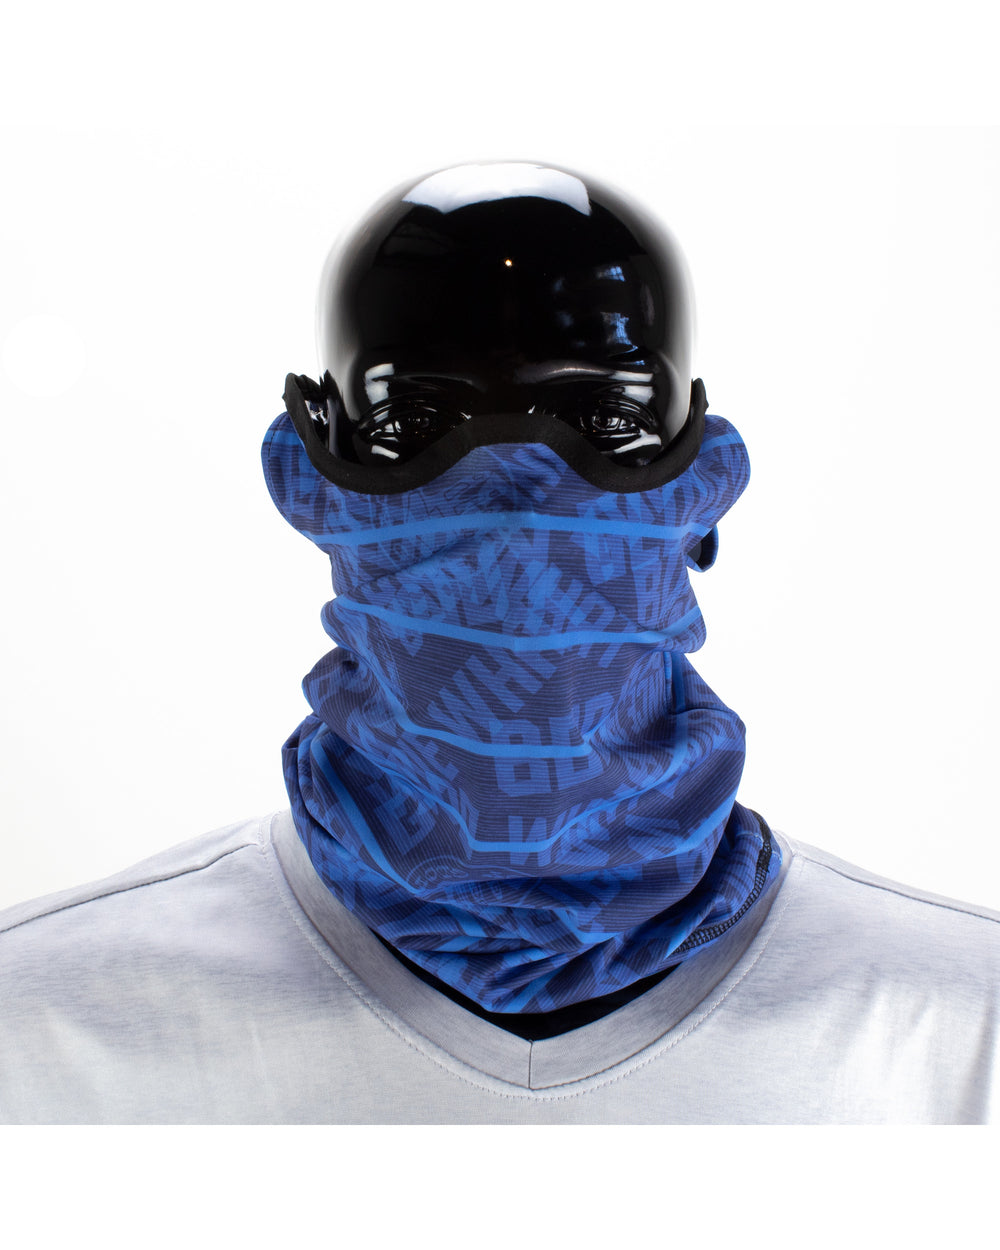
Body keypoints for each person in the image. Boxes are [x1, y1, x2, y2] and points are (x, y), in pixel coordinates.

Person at [2, 161, 997, 1124]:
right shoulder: (42, 1028)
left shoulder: (961, 1032)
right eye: (419, 418)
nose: (517, 492)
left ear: (702, 481)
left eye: (601, 415)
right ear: (313, 478)